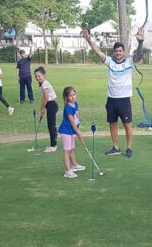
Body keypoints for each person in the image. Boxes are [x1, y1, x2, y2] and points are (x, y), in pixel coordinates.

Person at [81, 27, 145, 158]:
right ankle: (115, 147)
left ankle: (128, 148)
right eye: (116, 51)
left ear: (124, 52)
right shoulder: (110, 62)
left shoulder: (129, 62)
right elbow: (97, 51)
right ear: (114, 52)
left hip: (124, 100)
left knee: (127, 125)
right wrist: (88, 40)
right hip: (111, 100)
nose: (118, 53)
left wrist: (140, 42)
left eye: (120, 51)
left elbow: (138, 55)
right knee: (112, 124)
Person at [58, 86, 87, 178]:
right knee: (67, 150)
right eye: (70, 96)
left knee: (71, 149)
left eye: (74, 94)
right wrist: (79, 134)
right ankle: (67, 171)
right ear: (66, 97)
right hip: (66, 131)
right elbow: (72, 123)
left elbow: (76, 118)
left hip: (71, 131)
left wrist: (77, 131)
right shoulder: (68, 108)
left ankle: (74, 165)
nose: (73, 97)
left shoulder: (76, 104)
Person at [35, 67, 59, 153]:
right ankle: (53, 143)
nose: (37, 78)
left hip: (51, 105)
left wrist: (41, 109)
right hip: (50, 105)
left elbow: (45, 98)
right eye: (36, 76)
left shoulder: (44, 84)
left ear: (43, 75)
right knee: (52, 126)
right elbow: (44, 99)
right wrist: (43, 108)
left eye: (39, 76)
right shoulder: (43, 84)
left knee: (51, 126)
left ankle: (53, 146)